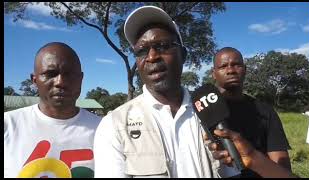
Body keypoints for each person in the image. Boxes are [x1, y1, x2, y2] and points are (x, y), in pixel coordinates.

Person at [94, 6, 238, 178]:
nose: (152, 56)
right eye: (141, 51)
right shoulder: (114, 125)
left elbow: (232, 172)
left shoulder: (211, 112)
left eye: (162, 46)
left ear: (183, 55)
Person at [4, 42, 102, 178]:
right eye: (50, 74)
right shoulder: (8, 125)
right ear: (34, 80)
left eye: (69, 74)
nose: (60, 82)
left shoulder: (104, 128)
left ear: (81, 79)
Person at [209, 47, 293, 177]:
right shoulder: (202, 110)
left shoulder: (266, 111)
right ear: (214, 73)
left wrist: (253, 157)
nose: (231, 70)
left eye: (236, 65)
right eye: (223, 66)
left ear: (245, 70)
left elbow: (282, 168)